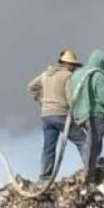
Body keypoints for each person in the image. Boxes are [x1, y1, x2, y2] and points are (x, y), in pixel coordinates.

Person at [27, 49, 87, 181]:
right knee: (82, 139)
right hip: (61, 114)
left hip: (46, 116)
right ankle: (91, 169)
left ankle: (44, 177)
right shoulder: (68, 76)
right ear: (69, 64)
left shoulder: (46, 74)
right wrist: (78, 116)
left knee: (48, 147)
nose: (74, 69)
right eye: (73, 66)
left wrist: (41, 100)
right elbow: (70, 97)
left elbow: (31, 87)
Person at [68, 49, 104, 184]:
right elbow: (103, 98)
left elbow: (69, 92)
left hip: (79, 115)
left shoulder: (77, 74)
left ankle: (90, 167)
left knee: (89, 142)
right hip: (95, 114)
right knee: (94, 144)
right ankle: (89, 175)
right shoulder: (100, 75)